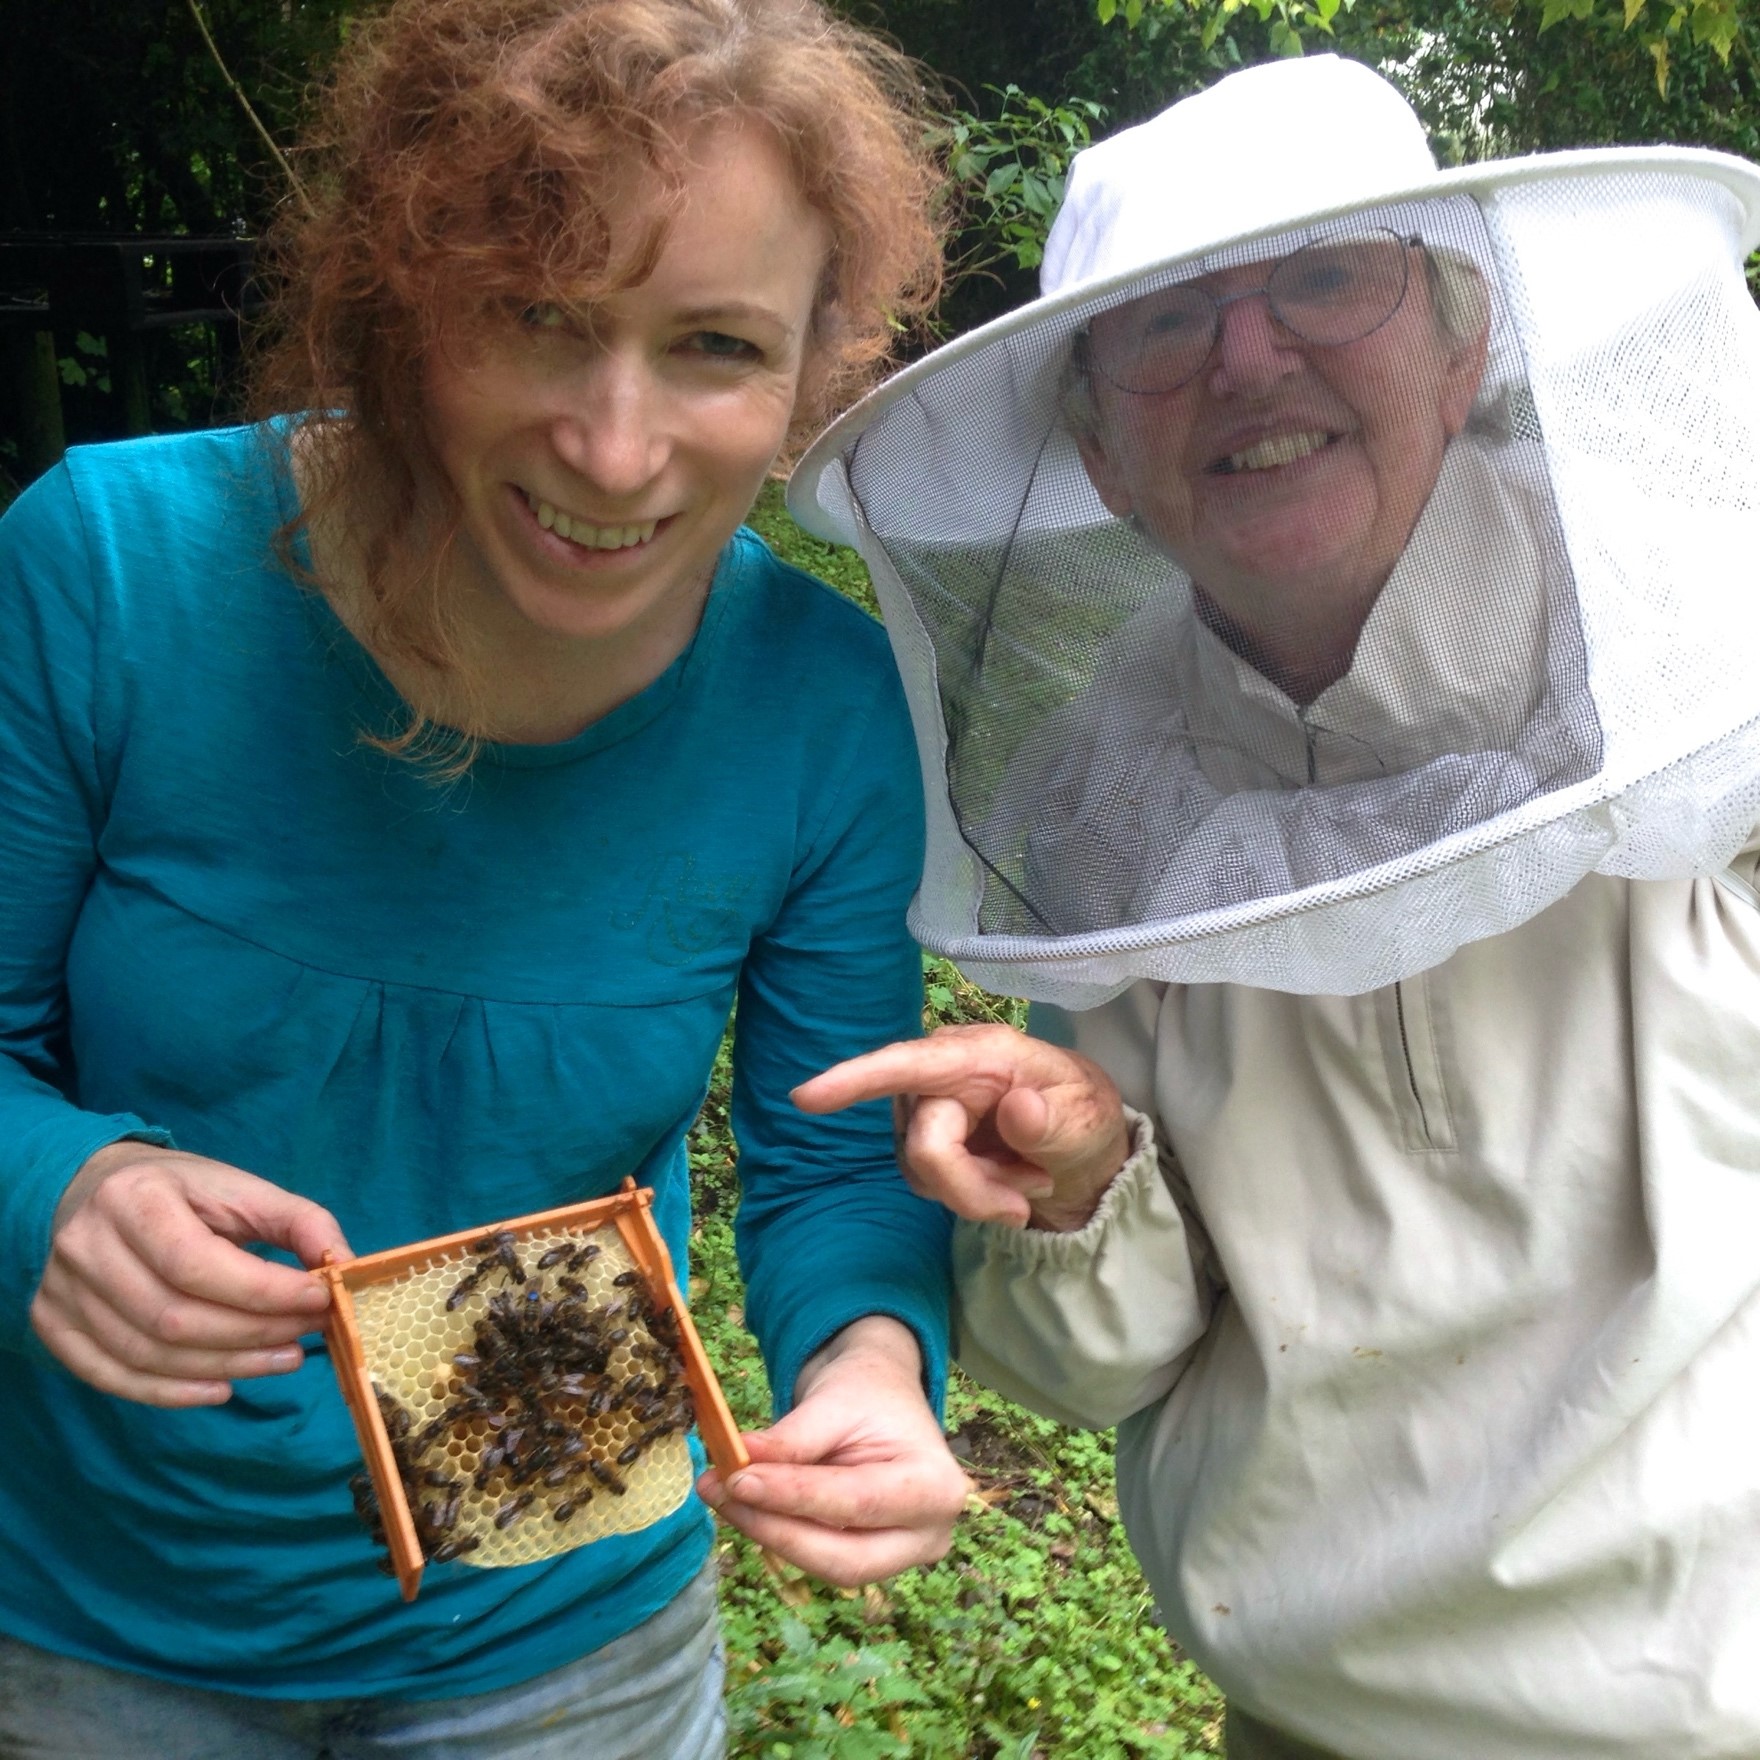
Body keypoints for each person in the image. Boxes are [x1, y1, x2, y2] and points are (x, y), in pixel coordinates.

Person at [0, 0, 970, 1752]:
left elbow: (831, 1152)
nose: (615, 447)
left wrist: (873, 1370)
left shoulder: (824, 704)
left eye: (714, 349)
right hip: (95, 1622)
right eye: (543, 317)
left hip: (570, 1645)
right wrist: (49, 1190)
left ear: (817, 367)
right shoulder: (110, 570)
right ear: (404, 291)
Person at [788, 53, 1760, 1760]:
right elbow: (1101, 1367)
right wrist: (1080, 1175)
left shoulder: (1710, 639)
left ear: (1463, 346)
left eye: (1326, 277)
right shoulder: (1097, 781)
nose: (1250, 357)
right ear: (1096, 439)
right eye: (1166, 322)